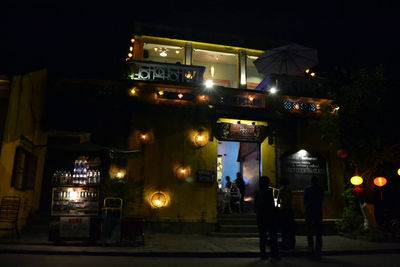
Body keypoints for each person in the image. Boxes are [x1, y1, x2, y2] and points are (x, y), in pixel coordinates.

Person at [254, 176, 279, 260]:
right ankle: (274, 254)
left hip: (261, 216)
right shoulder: (269, 191)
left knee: (262, 236)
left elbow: (255, 205)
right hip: (269, 216)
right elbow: (271, 204)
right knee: (272, 235)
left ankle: (263, 253)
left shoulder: (257, 192)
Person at [303, 176, 324, 259]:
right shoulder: (320, 189)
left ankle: (310, 247)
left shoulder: (307, 189)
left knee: (309, 230)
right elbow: (322, 199)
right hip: (318, 210)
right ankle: (318, 249)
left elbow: (304, 200)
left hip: (309, 210)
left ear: (311, 181)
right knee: (318, 231)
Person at [277, 178, 296, 250]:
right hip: (289, 210)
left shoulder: (281, 190)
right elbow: (291, 199)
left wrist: (278, 207)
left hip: (283, 210)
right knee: (290, 228)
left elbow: (278, 200)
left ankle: (285, 243)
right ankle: (291, 243)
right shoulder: (289, 190)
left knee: (284, 228)